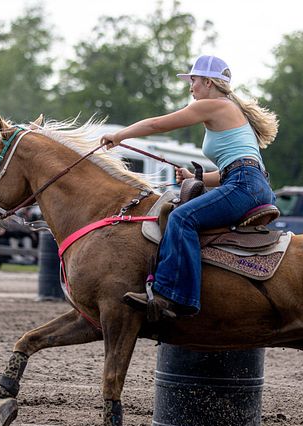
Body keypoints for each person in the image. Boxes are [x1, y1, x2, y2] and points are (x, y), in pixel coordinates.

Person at [100, 54, 278, 319]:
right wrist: (199, 179)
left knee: (182, 218)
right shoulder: (230, 109)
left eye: (193, 80)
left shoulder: (213, 105)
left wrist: (119, 135)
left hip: (244, 184)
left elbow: (157, 124)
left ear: (208, 82)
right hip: (251, 183)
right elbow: (234, 168)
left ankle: (174, 296)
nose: (190, 87)